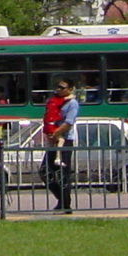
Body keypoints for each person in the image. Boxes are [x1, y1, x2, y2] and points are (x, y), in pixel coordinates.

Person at [42, 78, 79, 213]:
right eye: (57, 87)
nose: (58, 89)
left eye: (62, 87)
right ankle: (62, 200)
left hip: (65, 140)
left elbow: (69, 122)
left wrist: (56, 132)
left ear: (70, 89)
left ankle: (65, 205)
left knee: (63, 174)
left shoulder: (72, 104)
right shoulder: (57, 100)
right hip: (54, 140)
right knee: (45, 171)